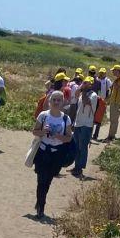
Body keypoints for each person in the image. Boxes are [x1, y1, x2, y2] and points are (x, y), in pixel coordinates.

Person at [32, 89, 72, 219]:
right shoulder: (43, 115)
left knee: (48, 181)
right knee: (41, 180)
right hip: (43, 151)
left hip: (56, 154)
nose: (56, 102)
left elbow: (69, 138)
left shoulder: (66, 118)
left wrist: (59, 136)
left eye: (58, 100)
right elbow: (35, 131)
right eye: (54, 99)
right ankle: (41, 206)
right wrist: (43, 131)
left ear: (63, 102)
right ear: (50, 101)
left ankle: (40, 202)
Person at [72, 77, 98, 178]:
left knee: (83, 146)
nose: (85, 84)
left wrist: (84, 91)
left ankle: (80, 167)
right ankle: (76, 165)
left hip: (86, 124)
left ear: (91, 85)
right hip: (78, 123)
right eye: (84, 83)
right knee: (76, 145)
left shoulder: (93, 95)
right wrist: (81, 87)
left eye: (87, 83)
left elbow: (86, 102)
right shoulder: (82, 92)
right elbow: (76, 95)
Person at [105, 65, 120, 142]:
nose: (112, 72)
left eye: (114, 70)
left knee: (114, 120)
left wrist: (117, 87)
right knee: (113, 120)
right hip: (114, 102)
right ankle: (110, 136)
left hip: (116, 103)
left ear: (117, 71)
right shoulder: (117, 79)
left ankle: (111, 136)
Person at [92, 67, 111, 140]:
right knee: (93, 117)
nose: (101, 74)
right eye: (100, 72)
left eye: (103, 73)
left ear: (105, 73)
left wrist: (107, 100)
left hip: (103, 101)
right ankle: (91, 133)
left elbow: (109, 90)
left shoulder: (107, 81)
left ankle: (95, 135)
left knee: (99, 119)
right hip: (96, 100)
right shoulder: (97, 79)